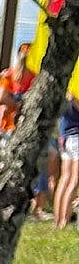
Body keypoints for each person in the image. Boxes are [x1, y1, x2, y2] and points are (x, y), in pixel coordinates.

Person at [0, 41, 34, 138]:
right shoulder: (9, 75)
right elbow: (1, 99)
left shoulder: (37, 77)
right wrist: (19, 106)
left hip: (26, 126)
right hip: (10, 125)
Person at [53, 92, 79, 228]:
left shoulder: (65, 91)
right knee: (74, 180)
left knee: (64, 178)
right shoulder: (75, 93)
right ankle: (64, 221)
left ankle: (57, 220)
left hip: (64, 137)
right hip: (76, 136)